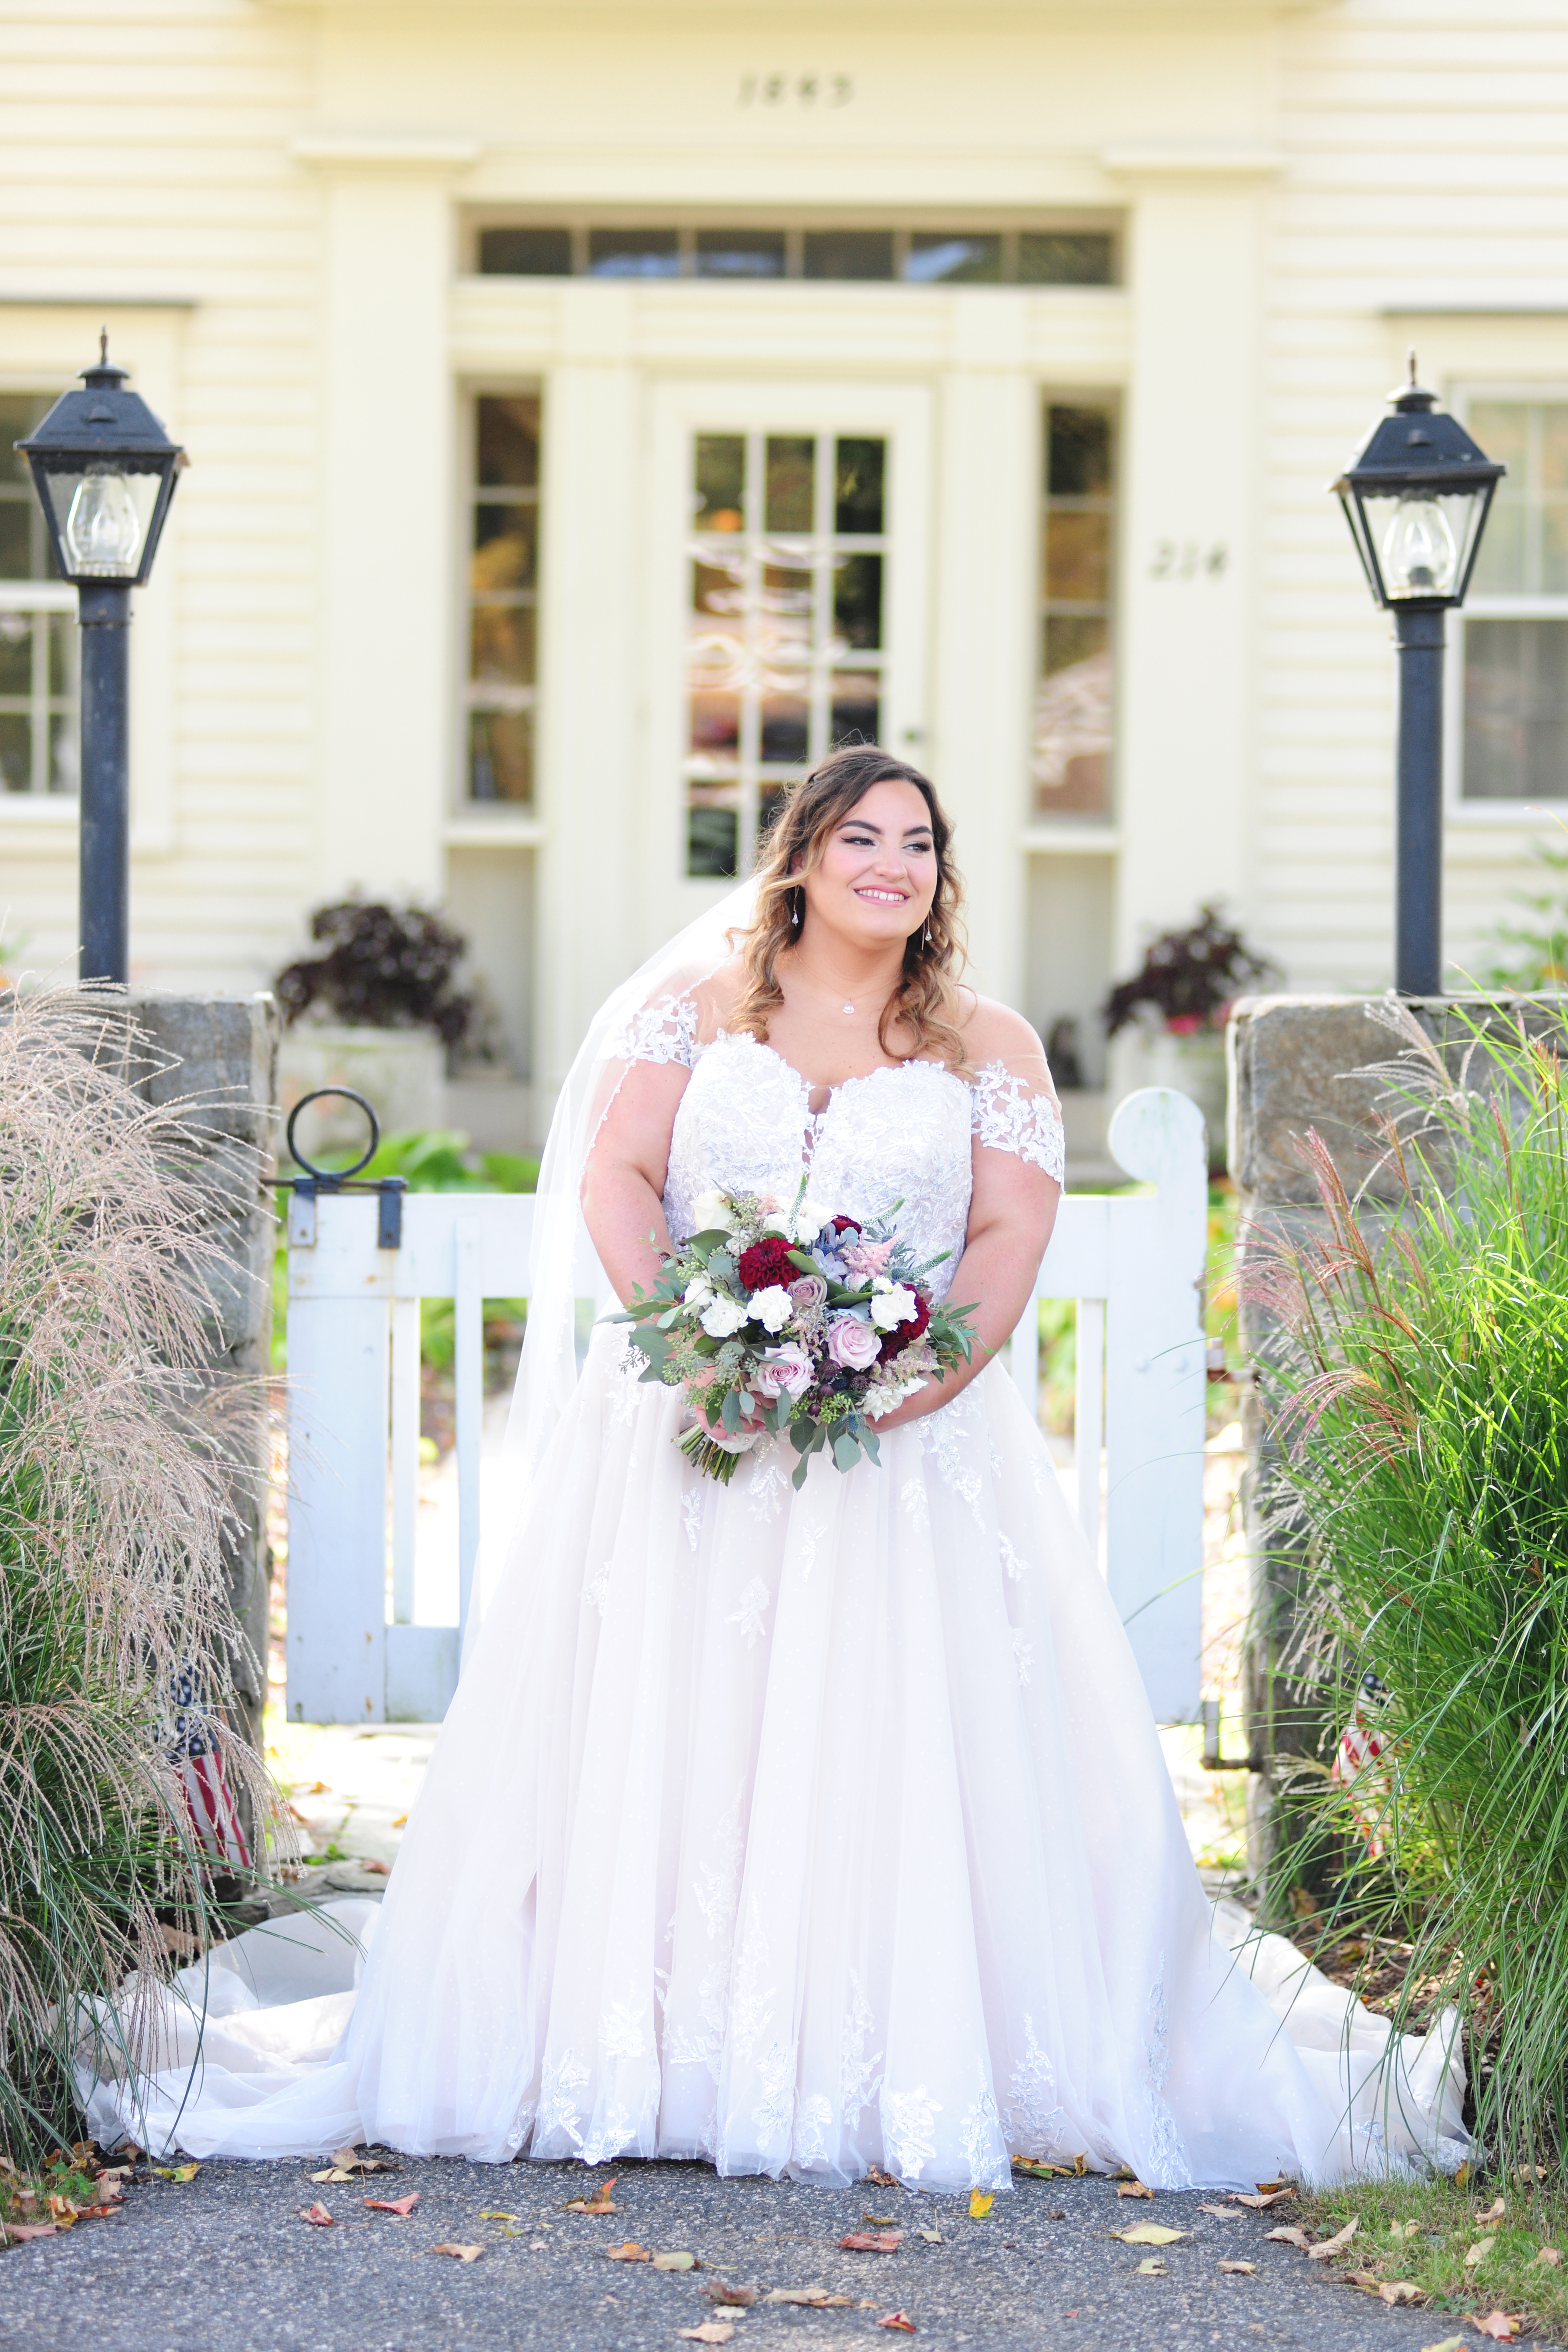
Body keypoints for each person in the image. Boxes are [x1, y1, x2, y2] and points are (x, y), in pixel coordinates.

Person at [84, 749, 1467, 2190]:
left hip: (904, 1455)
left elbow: (1004, 1240)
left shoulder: (991, 1046)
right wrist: (690, 1342)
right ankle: (653, 2046)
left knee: (882, 1736)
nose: (893, 862)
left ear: (942, 875)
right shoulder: (696, 1014)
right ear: (800, 855)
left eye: (919, 842)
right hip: (686, 1442)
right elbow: (619, 1175)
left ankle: (882, 2047)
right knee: (668, 1724)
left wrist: (920, 1377)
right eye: (861, 835)